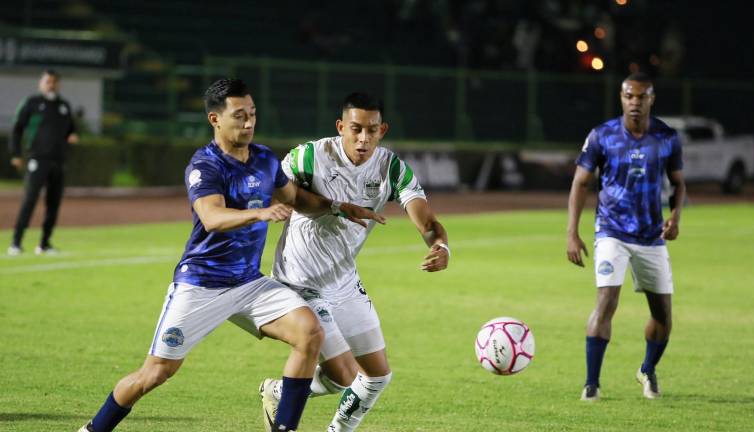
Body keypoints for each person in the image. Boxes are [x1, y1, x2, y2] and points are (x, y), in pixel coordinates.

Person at [78, 79, 385, 432]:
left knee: (309, 332)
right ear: (215, 119)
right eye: (239, 116)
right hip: (201, 284)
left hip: (249, 283)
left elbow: (297, 199)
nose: (249, 123)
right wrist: (259, 213)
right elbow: (212, 217)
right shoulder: (205, 166)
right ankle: (93, 429)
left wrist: (338, 207)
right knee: (155, 373)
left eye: (252, 114)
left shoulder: (265, 159)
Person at [259, 92, 450, 431]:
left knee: (377, 376)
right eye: (355, 129)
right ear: (340, 127)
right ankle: (285, 394)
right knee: (346, 374)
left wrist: (441, 247)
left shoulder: (391, 168)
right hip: (299, 281)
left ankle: (284, 394)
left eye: (372, 130)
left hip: (344, 282)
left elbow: (428, 222)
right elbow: (274, 187)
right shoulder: (311, 156)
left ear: (383, 130)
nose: (363, 139)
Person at [566, 72, 686, 401]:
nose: (635, 102)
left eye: (641, 97)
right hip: (611, 232)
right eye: (629, 96)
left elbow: (678, 183)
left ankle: (647, 369)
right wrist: (572, 233)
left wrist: (675, 217)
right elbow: (580, 183)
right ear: (621, 98)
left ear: (651, 99)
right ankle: (592, 384)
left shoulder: (666, 137)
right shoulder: (602, 136)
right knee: (606, 302)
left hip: (651, 235)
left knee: (663, 316)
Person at [8, 69, 79, 256]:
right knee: (29, 200)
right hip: (37, 159)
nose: (51, 84)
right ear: (41, 83)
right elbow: (17, 129)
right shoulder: (32, 103)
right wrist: (16, 153)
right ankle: (16, 243)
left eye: (54, 81)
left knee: (53, 204)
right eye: (48, 81)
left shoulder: (63, 106)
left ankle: (44, 244)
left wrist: (72, 136)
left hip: (58, 161)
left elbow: (71, 130)